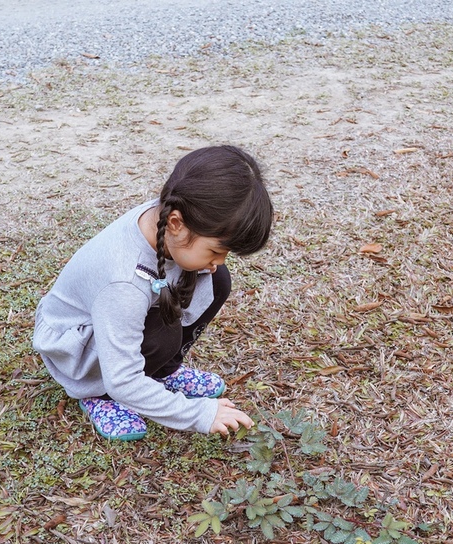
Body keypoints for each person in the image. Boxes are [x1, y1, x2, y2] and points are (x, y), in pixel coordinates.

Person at [33, 146, 273, 441]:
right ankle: (98, 394)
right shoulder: (123, 284)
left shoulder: (166, 214)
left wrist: (206, 261)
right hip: (78, 352)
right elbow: (123, 379)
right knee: (162, 335)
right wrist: (199, 414)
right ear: (176, 224)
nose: (219, 260)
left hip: (115, 317)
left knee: (216, 280)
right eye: (215, 250)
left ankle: (162, 371)